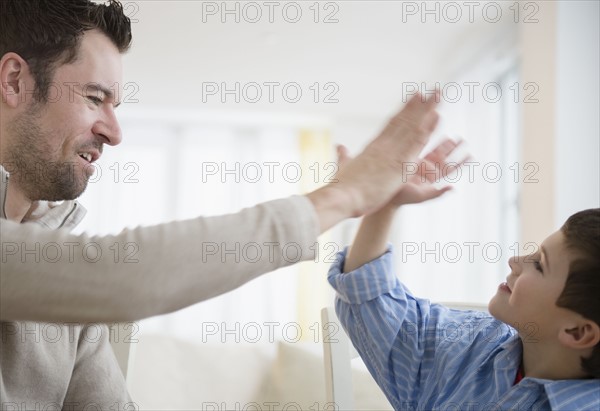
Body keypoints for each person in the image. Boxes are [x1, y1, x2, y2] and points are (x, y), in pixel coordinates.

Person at [0, 0, 444, 407]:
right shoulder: (72, 275)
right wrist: (343, 196)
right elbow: (123, 278)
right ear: (15, 81)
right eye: (95, 98)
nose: (115, 132)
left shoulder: (64, 287)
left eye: (115, 105)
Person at [327, 146, 600, 410]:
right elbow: (368, 299)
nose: (515, 260)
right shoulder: (471, 344)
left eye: (539, 265)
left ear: (578, 332)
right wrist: (386, 204)